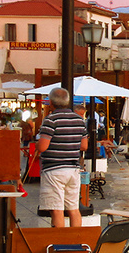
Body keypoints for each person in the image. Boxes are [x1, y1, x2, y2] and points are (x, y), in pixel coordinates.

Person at [36, 87, 89, 228]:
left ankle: (61, 242)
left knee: (57, 210)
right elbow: (84, 146)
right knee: (73, 208)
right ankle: (76, 241)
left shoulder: (50, 120)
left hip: (54, 169)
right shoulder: (79, 120)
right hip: (73, 169)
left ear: (51, 103)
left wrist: (37, 143)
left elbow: (42, 147)